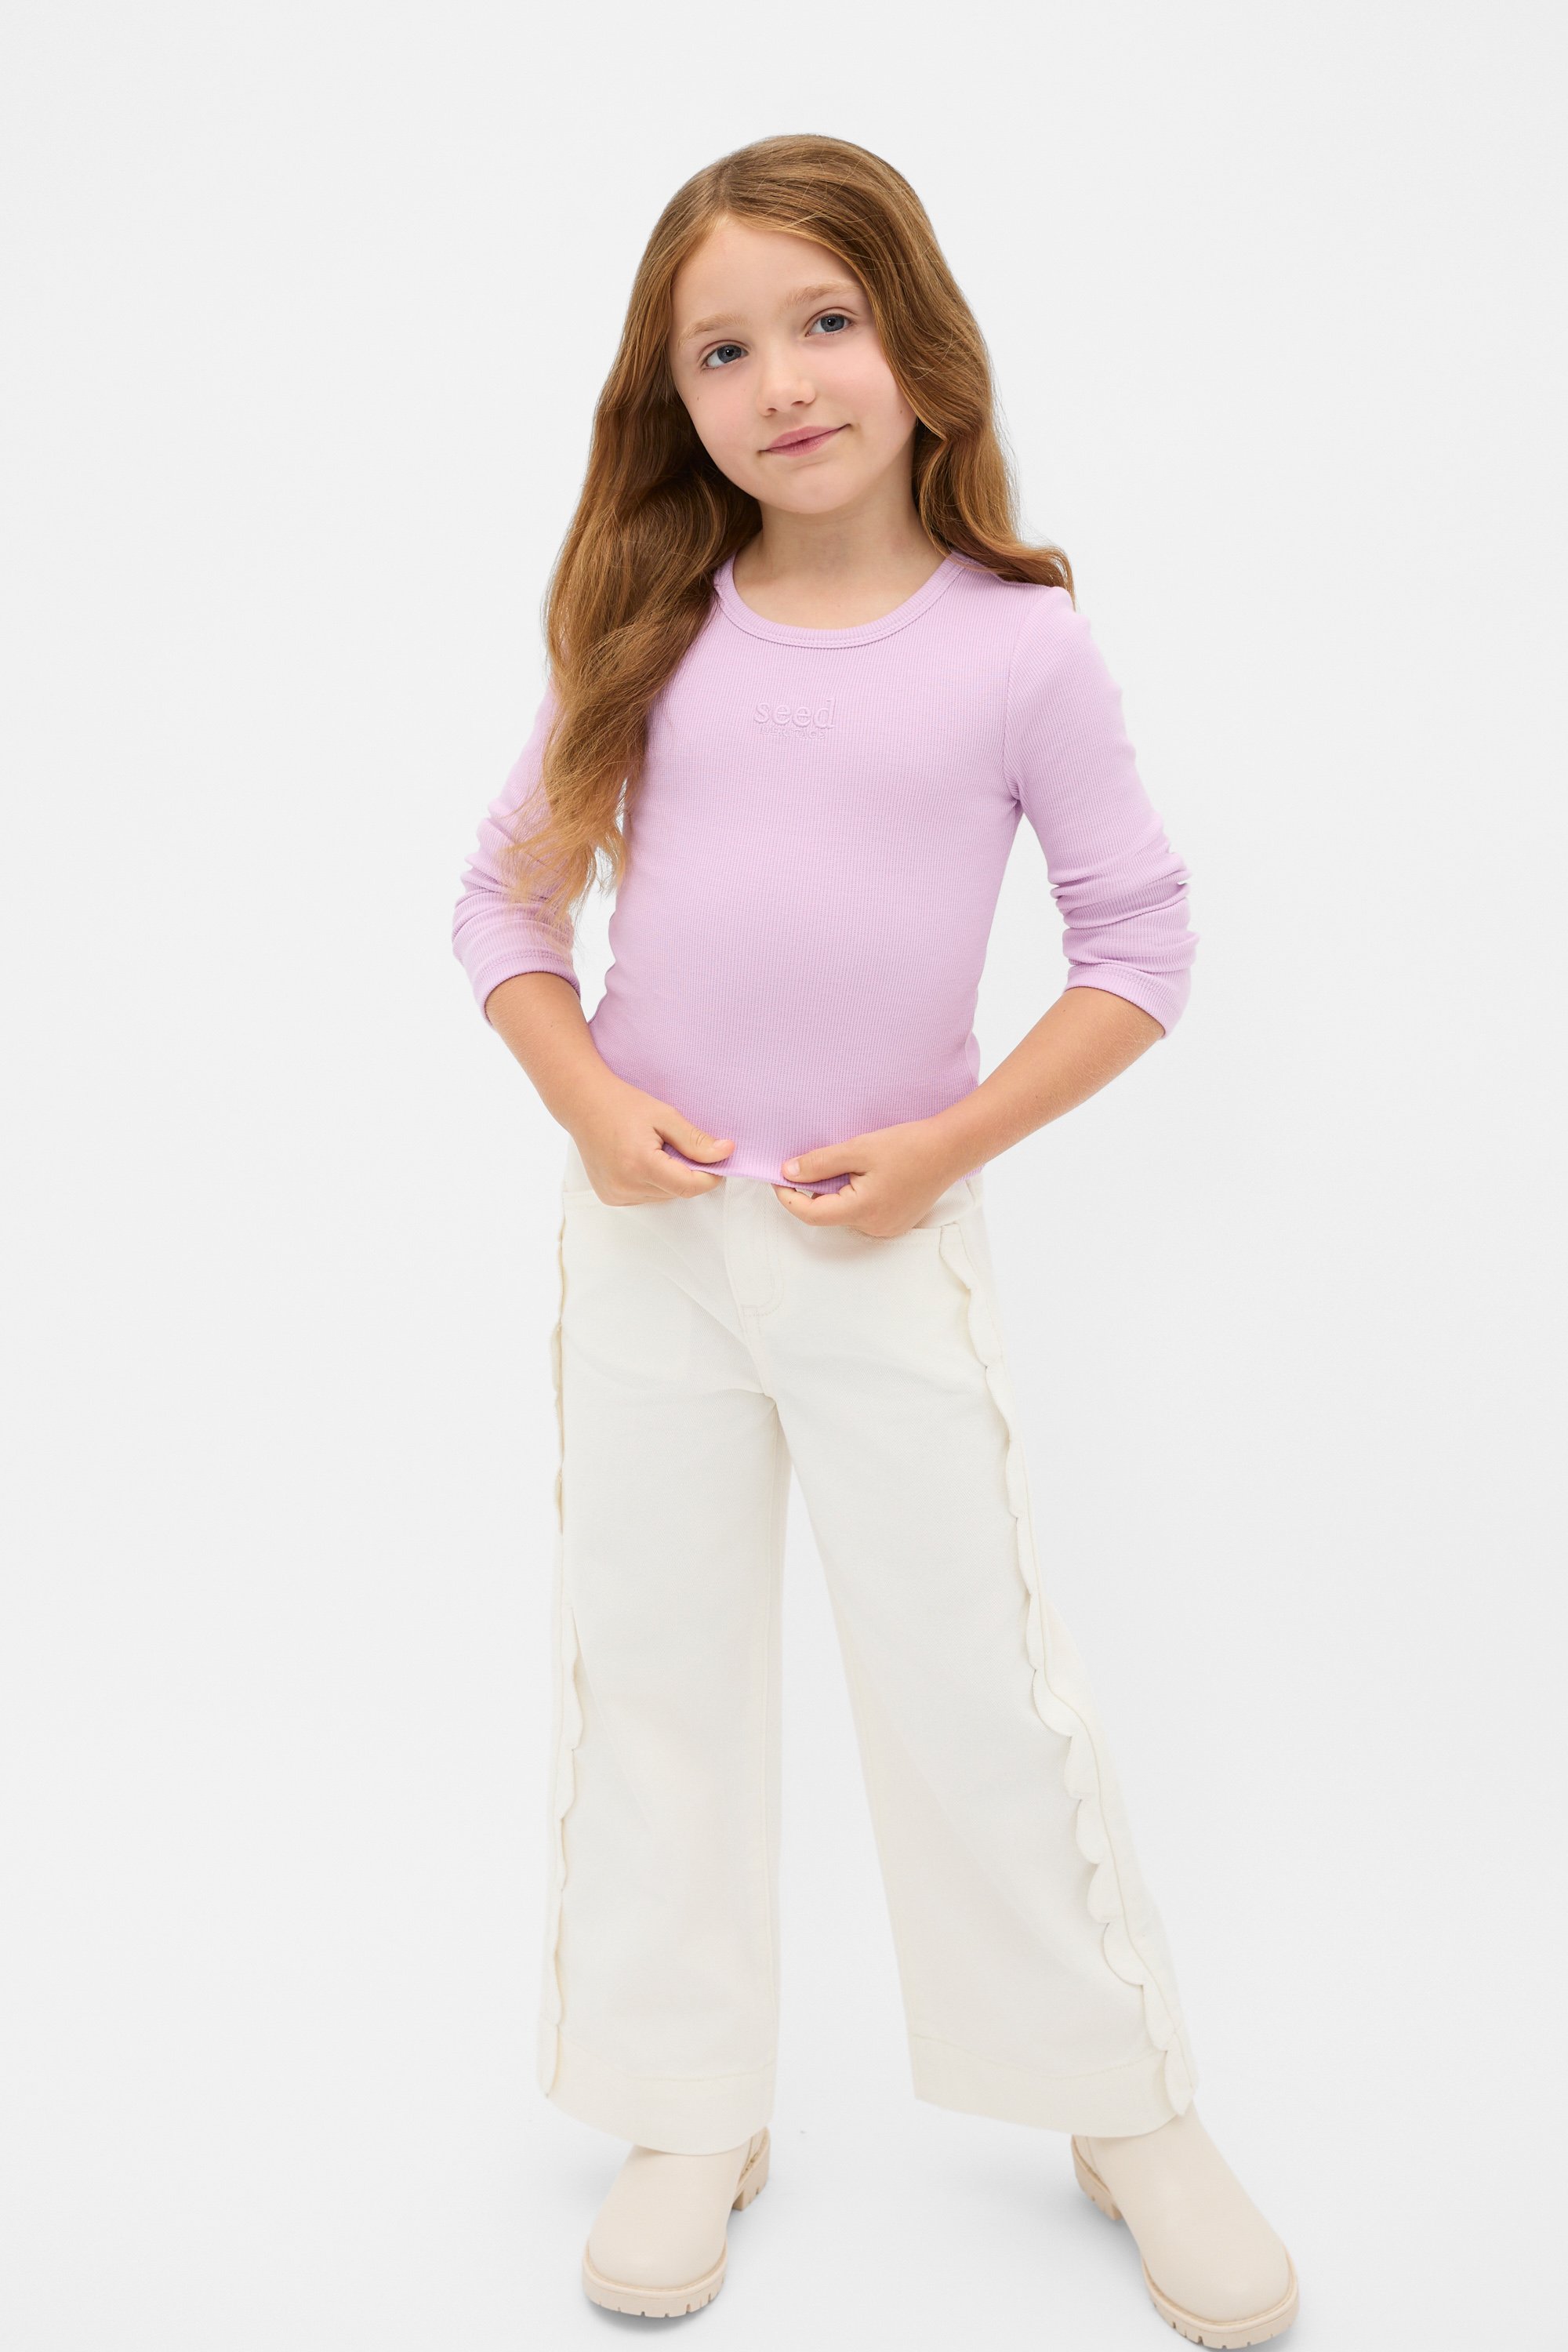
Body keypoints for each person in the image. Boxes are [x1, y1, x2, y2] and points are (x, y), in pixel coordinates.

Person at [451, 131, 1299, 2346]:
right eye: (720, 351)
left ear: (917, 344)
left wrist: (945, 1148)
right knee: (655, 1674)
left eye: (823, 322)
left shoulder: (1019, 649)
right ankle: (686, 2103)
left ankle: (1122, 2102)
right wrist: (590, 1103)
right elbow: (503, 910)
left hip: (877, 1247)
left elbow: (1138, 950)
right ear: (672, 400)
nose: (783, 381)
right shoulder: (647, 630)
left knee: (974, 1687)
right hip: (653, 1254)